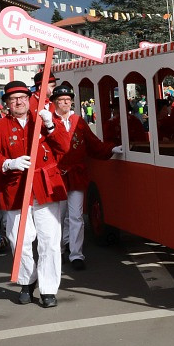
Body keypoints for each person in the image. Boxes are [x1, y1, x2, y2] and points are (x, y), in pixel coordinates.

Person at [0, 80, 70, 307]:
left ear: (29, 99)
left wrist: (51, 126)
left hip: (45, 188)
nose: (18, 102)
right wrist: (8, 163)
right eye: (13, 99)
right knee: (19, 239)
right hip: (16, 189)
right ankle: (27, 281)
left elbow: (64, 147)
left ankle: (48, 289)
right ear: (7, 103)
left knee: (49, 241)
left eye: (22, 98)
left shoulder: (44, 120)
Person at [50, 84, 120, 270]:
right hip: (58, 176)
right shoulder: (48, 122)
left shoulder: (78, 121)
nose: (65, 103)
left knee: (76, 216)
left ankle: (76, 254)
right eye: (61, 100)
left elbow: (93, 144)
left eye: (68, 100)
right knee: (58, 216)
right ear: (54, 103)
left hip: (77, 174)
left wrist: (112, 149)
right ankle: (58, 249)